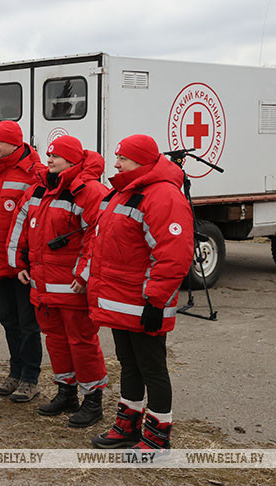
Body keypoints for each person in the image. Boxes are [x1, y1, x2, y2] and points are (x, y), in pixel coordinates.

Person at [88, 134, 193, 451]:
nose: (116, 163)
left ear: (143, 162)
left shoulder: (163, 196)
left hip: (145, 304)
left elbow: (174, 254)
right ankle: (128, 425)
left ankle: (158, 435)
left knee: (153, 368)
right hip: (121, 301)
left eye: (123, 158)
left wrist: (156, 301)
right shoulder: (124, 192)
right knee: (129, 363)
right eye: (117, 157)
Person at [6, 135, 109, 427]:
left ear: (73, 160)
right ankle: (67, 392)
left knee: (82, 342)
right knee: (57, 341)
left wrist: (83, 273)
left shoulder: (90, 192)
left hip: (72, 286)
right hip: (44, 284)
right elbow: (21, 224)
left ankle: (93, 400)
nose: (49, 160)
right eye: (49, 155)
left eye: (56, 156)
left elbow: (97, 237)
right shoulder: (40, 189)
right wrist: (18, 262)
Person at [0, 120, 46, 403]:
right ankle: (15, 372)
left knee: (28, 323)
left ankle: (30, 378)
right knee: (8, 320)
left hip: (23, 266)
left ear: (15, 143)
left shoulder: (35, 173)